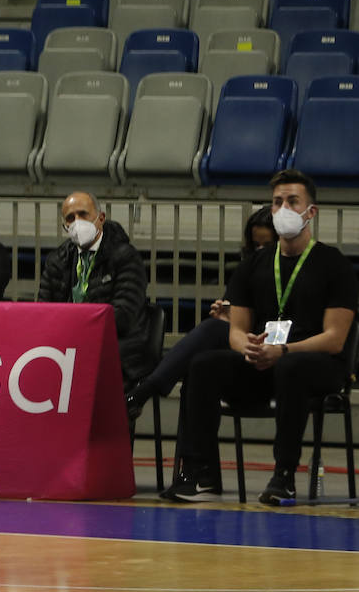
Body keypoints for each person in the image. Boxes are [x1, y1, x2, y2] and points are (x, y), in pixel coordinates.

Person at [162, 170, 357, 505]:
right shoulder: (255, 264)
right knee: (205, 365)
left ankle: (283, 477)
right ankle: (201, 474)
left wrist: (282, 350)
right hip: (265, 361)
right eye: (277, 201)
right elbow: (236, 329)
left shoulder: (334, 264)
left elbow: (335, 339)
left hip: (317, 366)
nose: (283, 208)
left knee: (291, 368)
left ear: (311, 212)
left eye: (292, 201)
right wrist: (248, 348)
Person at [125, 207, 277, 422]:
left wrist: (233, 324)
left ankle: (142, 392)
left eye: (268, 246)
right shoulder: (246, 272)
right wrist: (226, 316)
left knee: (210, 335)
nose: (261, 251)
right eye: (256, 245)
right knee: (200, 361)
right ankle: (193, 454)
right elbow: (238, 325)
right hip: (242, 351)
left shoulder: (292, 274)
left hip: (274, 358)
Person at [37, 191, 154, 390]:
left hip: (119, 345)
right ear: (65, 226)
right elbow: (42, 311)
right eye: (70, 218)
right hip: (70, 343)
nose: (77, 222)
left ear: (100, 218)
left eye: (83, 214)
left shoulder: (125, 257)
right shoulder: (57, 260)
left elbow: (124, 315)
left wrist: (77, 329)